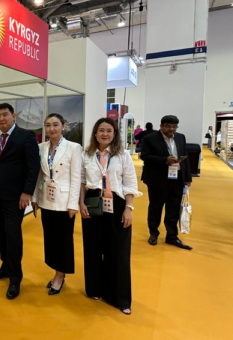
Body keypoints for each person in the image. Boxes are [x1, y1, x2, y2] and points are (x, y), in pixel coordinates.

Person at [79, 118, 141, 315]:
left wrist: (129, 208)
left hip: (117, 202)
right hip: (92, 201)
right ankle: (94, 288)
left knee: (118, 250)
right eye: (101, 130)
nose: (105, 134)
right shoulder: (87, 154)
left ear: (114, 134)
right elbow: (82, 181)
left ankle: (120, 298)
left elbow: (130, 182)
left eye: (109, 130)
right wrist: (81, 203)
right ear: (95, 133)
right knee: (93, 247)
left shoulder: (122, 155)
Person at [0, 103, 41, 300]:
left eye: (5, 114)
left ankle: (15, 278)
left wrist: (27, 192)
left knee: (13, 235)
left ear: (13, 115)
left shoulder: (26, 136)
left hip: (16, 197)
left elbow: (33, 167)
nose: (1, 118)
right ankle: (5, 266)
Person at [31, 114, 82, 295]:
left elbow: (76, 177)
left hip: (64, 201)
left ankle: (60, 275)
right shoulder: (41, 147)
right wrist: (35, 198)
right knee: (50, 239)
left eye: (55, 125)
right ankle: (56, 271)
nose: (51, 129)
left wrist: (73, 204)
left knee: (63, 240)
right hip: (46, 198)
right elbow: (38, 175)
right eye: (48, 125)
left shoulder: (74, 148)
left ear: (63, 126)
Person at [139, 115, 193, 250]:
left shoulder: (180, 137)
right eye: (168, 126)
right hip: (157, 179)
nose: (172, 129)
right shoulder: (150, 138)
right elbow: (144, 156)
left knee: (174, 208)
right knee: (155, 207)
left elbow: (185, 157)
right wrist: (165, 160)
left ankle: (172, 236)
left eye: (174, 126)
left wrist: (187, 178)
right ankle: (153, 233)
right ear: (161, 126)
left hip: (177, 178)